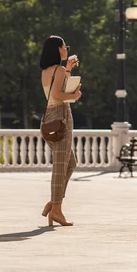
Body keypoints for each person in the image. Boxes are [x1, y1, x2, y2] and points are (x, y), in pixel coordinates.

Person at [39, 36, 82, 226]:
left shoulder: (47, 71)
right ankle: (56, 209)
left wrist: (69, 70)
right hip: (61, 115)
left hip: (49, 116)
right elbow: (58, 95)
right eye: (65, 47)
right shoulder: (59, 69)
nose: (66, 49)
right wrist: (74, 96)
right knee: (60, 164)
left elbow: (54, 90)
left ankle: (54, 203)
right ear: (58, 49)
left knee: (70, 163)